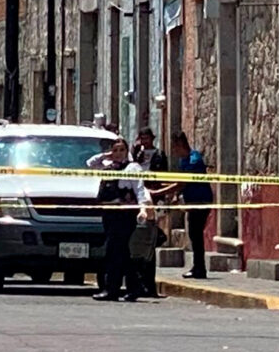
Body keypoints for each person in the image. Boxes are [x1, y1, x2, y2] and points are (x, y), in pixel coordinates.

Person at [87, 137, 152, 302]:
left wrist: (143, 209)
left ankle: (112, 289)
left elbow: (139, 190)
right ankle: (135, 287)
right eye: (115, 150)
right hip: (109, 214)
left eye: (121, 150)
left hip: (124, 215)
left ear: (127, 151)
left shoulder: (132, 168)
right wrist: (106, 155)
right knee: (122, 252)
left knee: (114, 251)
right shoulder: (108, 167)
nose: (118, 153)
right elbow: (90, 163)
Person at [151, 132, 214, 280]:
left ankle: (199, 268)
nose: (173, 151)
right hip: (192, 201)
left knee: (196, 234)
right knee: (194, 234)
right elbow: (181, 184)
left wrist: (158, 193)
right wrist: (175, 196)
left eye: (174, 147)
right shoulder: (183, 161)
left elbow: (181, 183)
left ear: (180, 145)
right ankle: (198, 267)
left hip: (201, 201)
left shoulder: (194, 159)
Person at [132, 127, 169, 297]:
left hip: (153, 200)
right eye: (142, 138)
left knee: (149, 244)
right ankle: (138, 283)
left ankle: (149, 285)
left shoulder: (159, 155)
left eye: (147, 138)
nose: (145, 141)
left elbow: (162, 177)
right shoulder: (136, 155)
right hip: (139, 201)